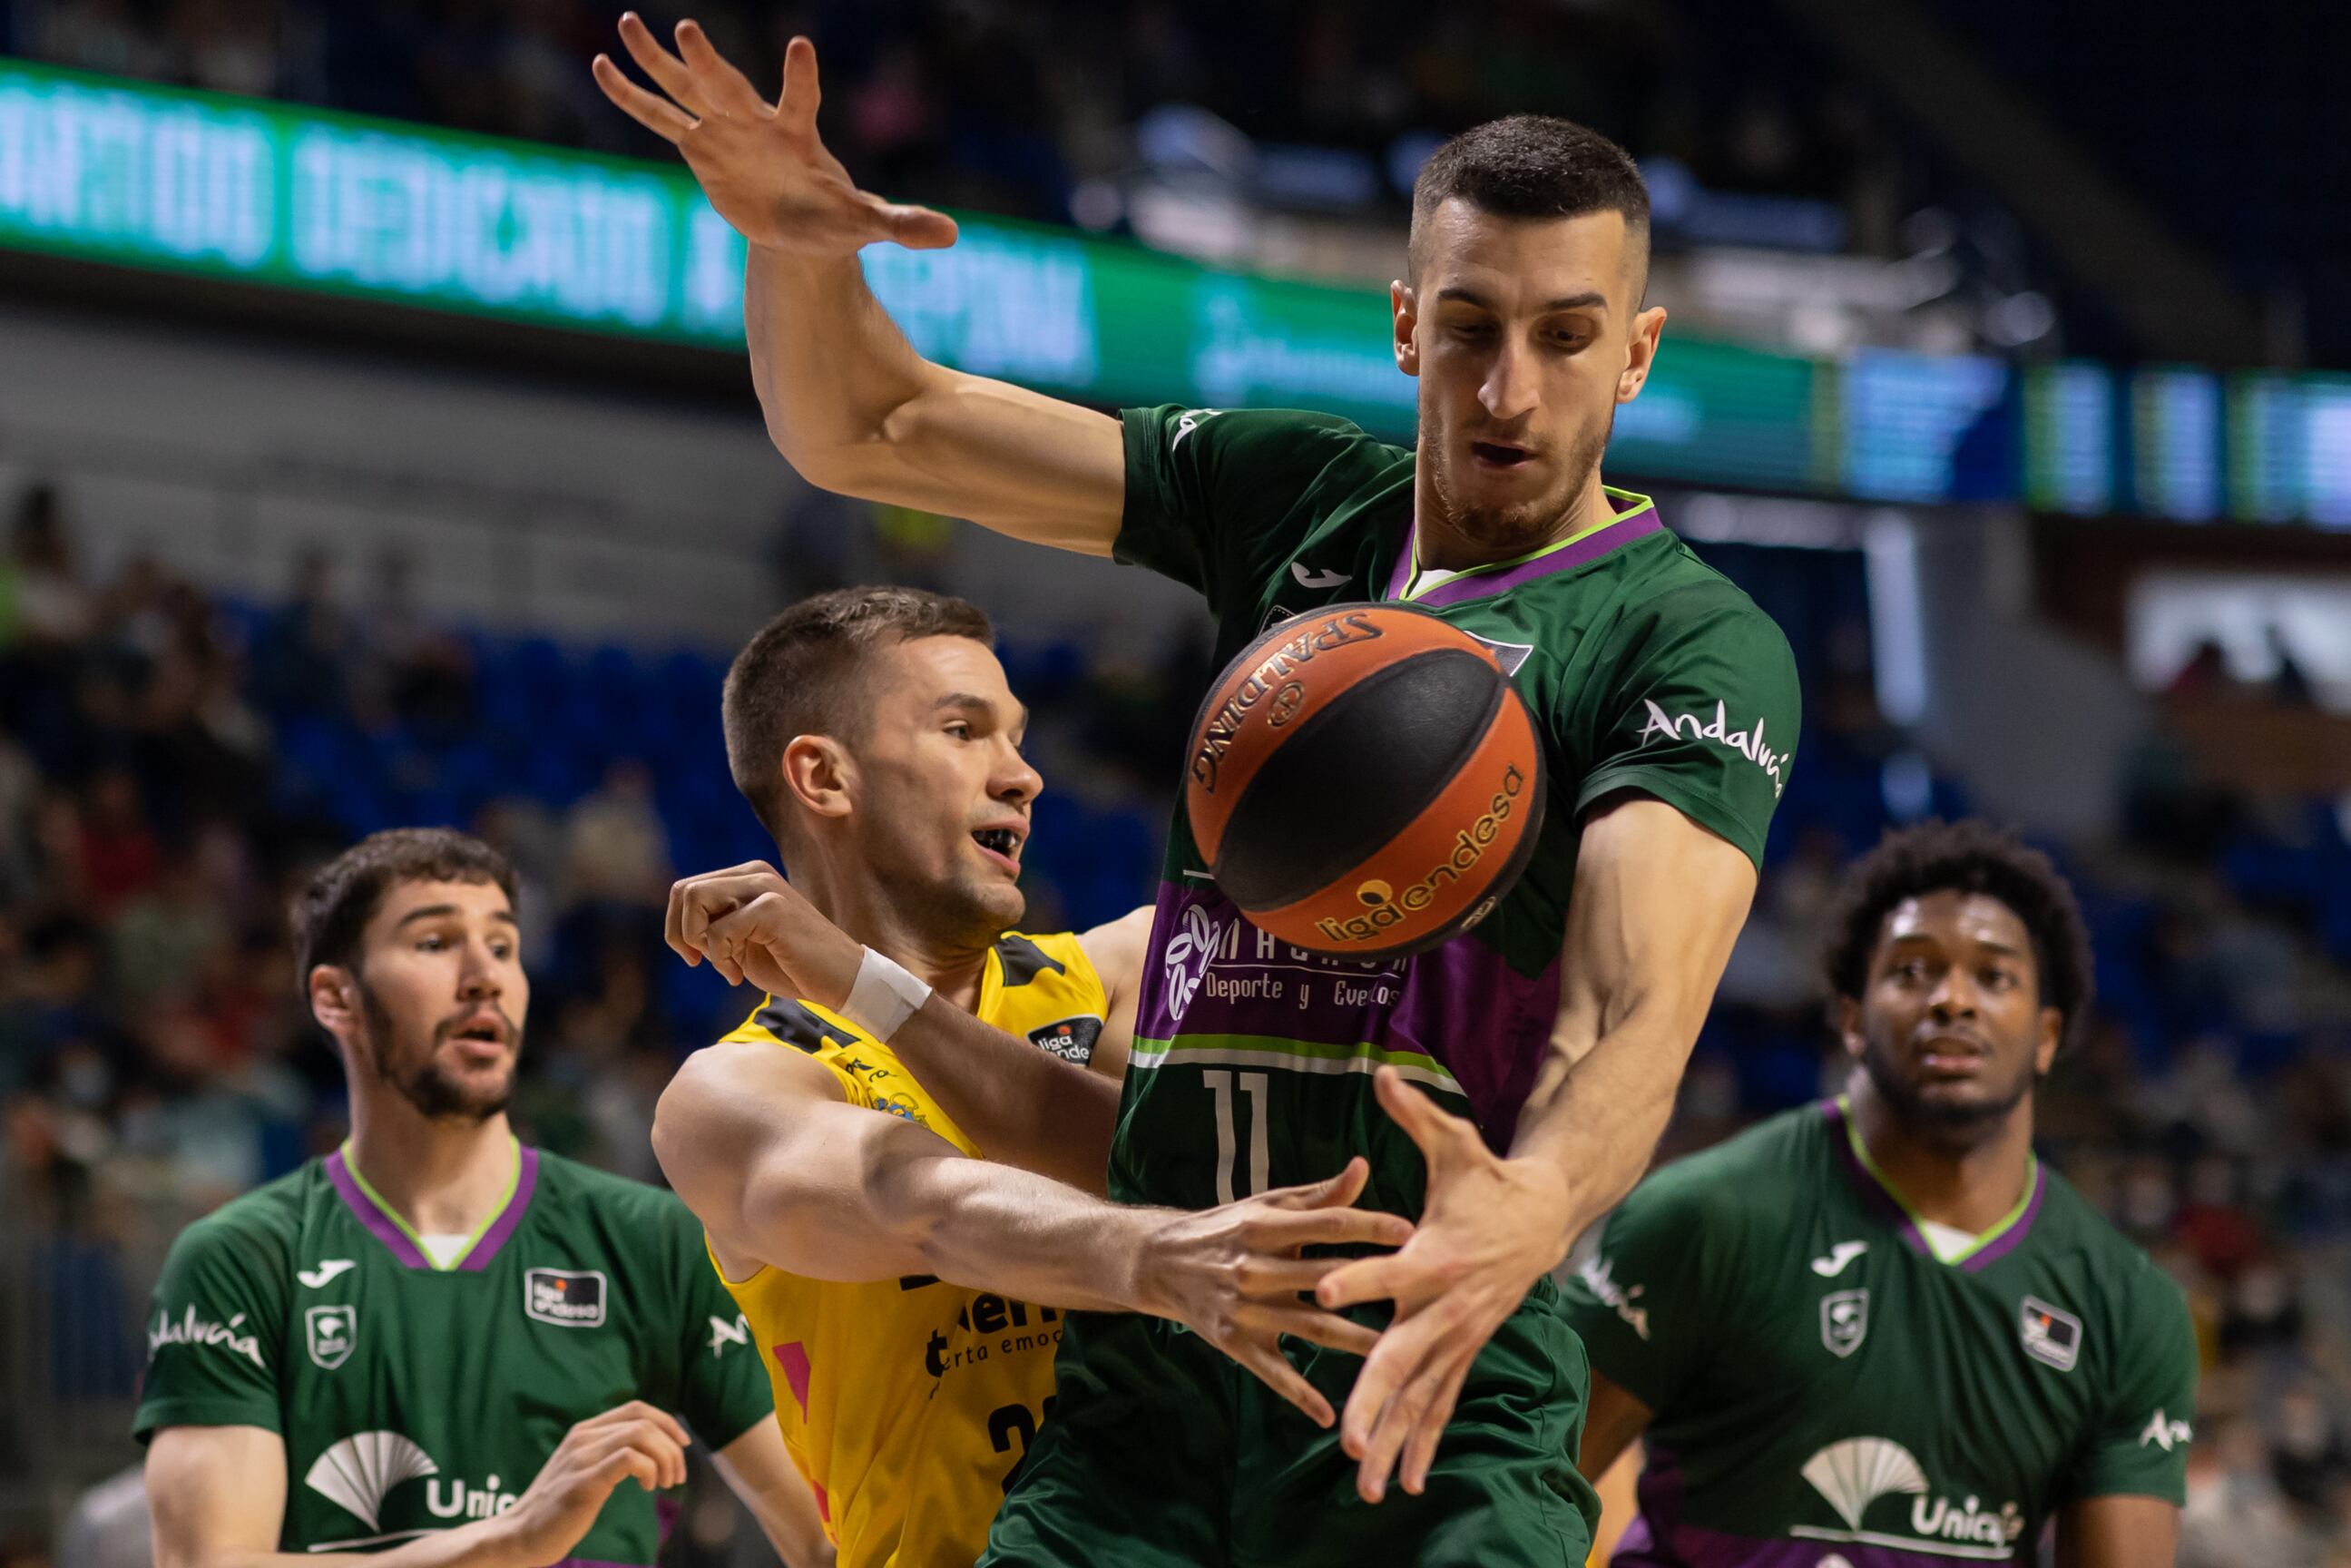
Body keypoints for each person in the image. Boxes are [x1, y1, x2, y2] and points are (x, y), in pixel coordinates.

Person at [596, 20, 1798, 1564]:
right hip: (1149, 1362)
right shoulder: (1293, 498)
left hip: (1417, 1355)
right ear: (1403, 326)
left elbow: (1636, 1002)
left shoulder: (1680, 633)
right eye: (1469, 323)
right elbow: (870, 425)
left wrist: (1539, 1198)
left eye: (1568, 336)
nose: (1510, 384)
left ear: (1634, 353)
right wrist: (793, 251)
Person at [653, 587, 1415, 1568]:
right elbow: (916, 1204)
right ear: (823, 776)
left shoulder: (1126, 977)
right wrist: (1153, 1259)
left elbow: (1222, 1136)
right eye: (963, 730)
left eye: (1017, 737)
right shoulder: (736, 1095)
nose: (1023, 778)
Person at [138, 828, 831, 1568]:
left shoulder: (653, 1240)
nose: (484, 976)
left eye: (502, 946)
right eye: (434, 943)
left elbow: (831, 1541)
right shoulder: (240, 1259)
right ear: (336, 997)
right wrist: (515, 1539)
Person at [1562, 820, 2198, 1566]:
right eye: (1911, 971)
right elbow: (1529, 1486)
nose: (1952, 1001)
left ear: (2048, 1034)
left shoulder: (2125, 1307)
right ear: (1852, 1020)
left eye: (1993, 977)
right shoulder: (1706, 1217)